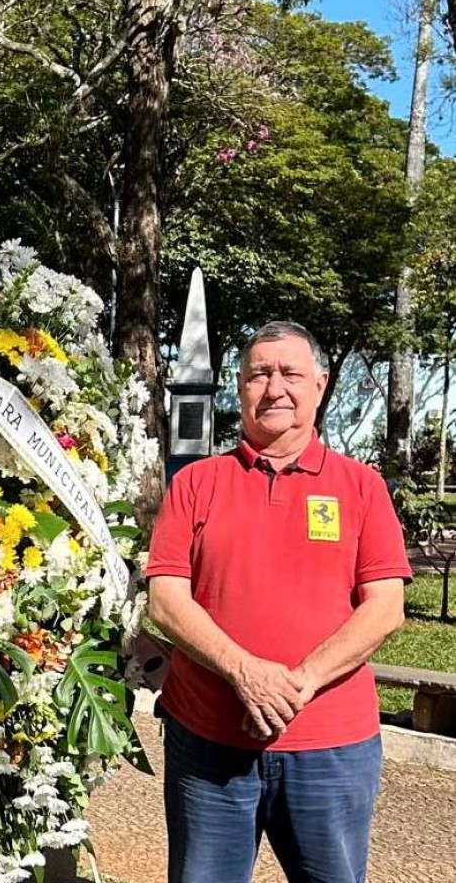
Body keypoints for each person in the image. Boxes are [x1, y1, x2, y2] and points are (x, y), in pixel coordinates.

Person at [146, 320, 410, 883]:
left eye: (290, 373)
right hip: (209, 743)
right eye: (258, 374)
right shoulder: (195, 483)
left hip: (332, 748)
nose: (274, 388)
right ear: (238, 388)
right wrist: (245, 672)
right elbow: (166, 600)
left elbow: (385, 607)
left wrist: (298, 683)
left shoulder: (361, 487)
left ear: (319, 384)